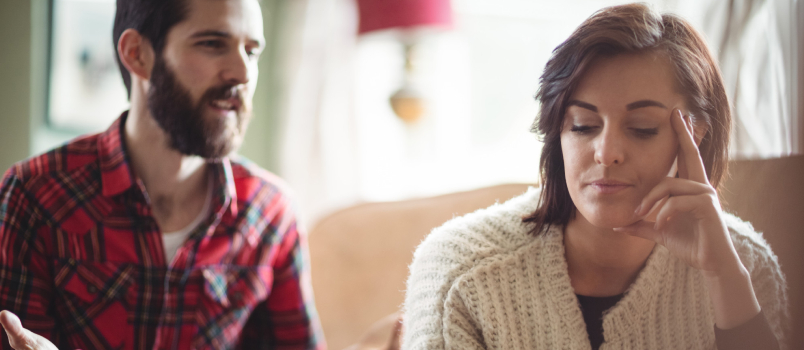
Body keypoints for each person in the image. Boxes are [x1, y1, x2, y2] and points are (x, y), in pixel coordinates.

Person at [402, 3, 787, 350]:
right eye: (583, 126)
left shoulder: (745, 269)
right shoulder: (459, 273)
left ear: (695, 133)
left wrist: (725, 276)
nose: (606, 153)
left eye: (641, 127)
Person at [0, 0, 327, 348]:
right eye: (212, 44)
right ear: (137, 54)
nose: (243, 73)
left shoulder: (271, 213)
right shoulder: (35, 195)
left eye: (251, 51)